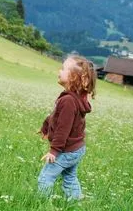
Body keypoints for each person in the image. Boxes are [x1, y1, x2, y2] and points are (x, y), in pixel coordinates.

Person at [37, 55, 96, 200]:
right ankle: (76, 200)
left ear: (74, 77)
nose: (59, 70)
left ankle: (42, 204)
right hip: (76, 148)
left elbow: (64, 128)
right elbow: (55, 116)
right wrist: (45, 127)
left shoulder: (69, 100)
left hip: (67, 150)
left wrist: (54, 151)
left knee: (46, 176)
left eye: (63, 69)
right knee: (69, 177)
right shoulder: (71, 98)